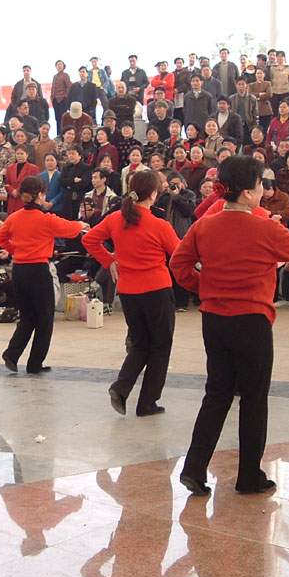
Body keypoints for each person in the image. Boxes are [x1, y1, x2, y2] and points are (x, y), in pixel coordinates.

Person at [169, 155, 289, 495]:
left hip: (214, 320)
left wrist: (205, 287)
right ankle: (248, 476)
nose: (263, 191)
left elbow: (179, 264)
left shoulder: (204, 226)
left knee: (217, 393)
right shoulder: (265, 227)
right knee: (254, 398)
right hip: (252, 320)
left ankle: (194, 467)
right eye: (260, 185)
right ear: (248, 192)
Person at [83, 170, 180, 417]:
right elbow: (180, 254)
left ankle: (121, 387)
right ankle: (147, 402)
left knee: (140, 343)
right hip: (157, 289)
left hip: (128, 291)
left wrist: (110, 261)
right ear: (154, 194)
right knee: (160, 346)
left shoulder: (116, 218)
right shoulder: (160, 225)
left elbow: (89, 240)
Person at [0, 176, 88, 374]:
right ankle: (34, 363)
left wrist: (16, 250)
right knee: (45, 318)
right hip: (38, 270)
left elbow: (1, 238)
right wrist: (82, 225)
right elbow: (69, 229)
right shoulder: (46, 219)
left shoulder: (14, 217)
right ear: (40, 195)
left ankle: (12, 354)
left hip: (19, 270)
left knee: (27, 316)